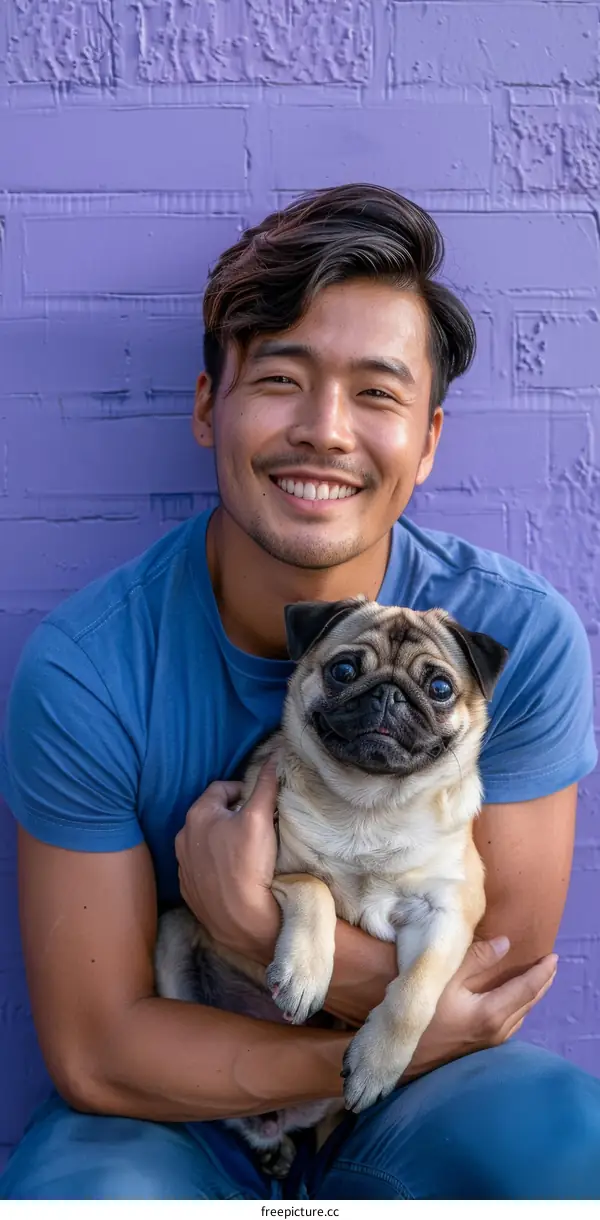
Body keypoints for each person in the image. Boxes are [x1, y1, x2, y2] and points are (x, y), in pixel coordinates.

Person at [1, 183, 599, 1201]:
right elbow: (98, 1049)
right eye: (282, 377)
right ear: (207, 407)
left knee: (568, 1141)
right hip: (175, 1097)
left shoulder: (521, 637)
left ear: (429, 439)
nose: (324, 429)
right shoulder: (87, 668)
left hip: (427, 1088)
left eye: (376, 392)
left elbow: (490, 990)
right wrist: (351, 1031)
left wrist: (259, 924)